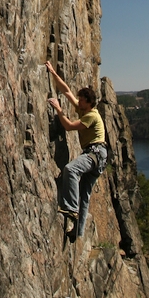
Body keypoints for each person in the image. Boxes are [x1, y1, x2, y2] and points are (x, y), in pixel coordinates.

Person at [46, 61, 107, 237]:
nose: (78, 101)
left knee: (71, 170)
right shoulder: (83, 109)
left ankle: (71, 210)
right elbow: (66, 91)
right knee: (84, 194)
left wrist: (58, 109)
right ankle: (78, 233)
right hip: (98, 156)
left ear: (88, 103)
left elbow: (70, 126)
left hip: (95, 153)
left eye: (81, 100)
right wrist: (53, 72)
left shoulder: (91, 116)